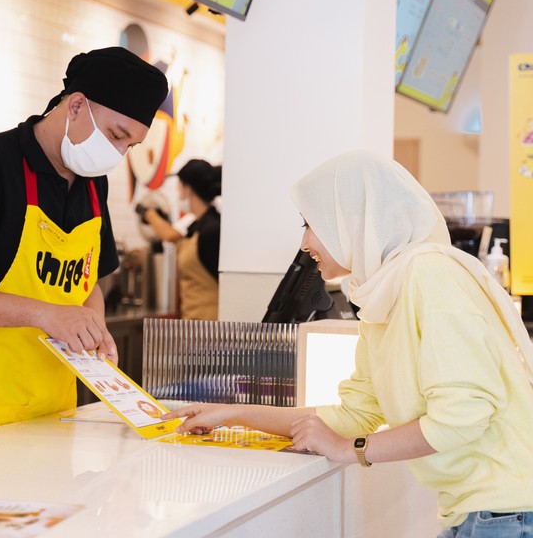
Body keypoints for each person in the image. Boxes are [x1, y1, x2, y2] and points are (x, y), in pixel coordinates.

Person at [163, 150, 533, 536]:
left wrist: (350, 449)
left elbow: (463, 415)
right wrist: (229, 415)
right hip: (477, 513)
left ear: (356, 219)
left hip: (508, 513)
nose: (305, 242)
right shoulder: (381, 297)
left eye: (311, 223)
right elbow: (354, 415)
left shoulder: (431, 273)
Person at [0, 46, 168, 440]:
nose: (117, 154)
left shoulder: (94, 185)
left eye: (129, 146)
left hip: (54, 411)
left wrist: (91, 325)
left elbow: (87, 281)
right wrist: (45, 314)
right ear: (76, 105)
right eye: (116, 135)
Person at [138, 159, 221, 320]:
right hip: (194, 327)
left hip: (211, 331)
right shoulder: (196, 226)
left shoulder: (212, 230)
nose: (178, 192)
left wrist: (150, 215)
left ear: (187, 190)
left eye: (179, 187)